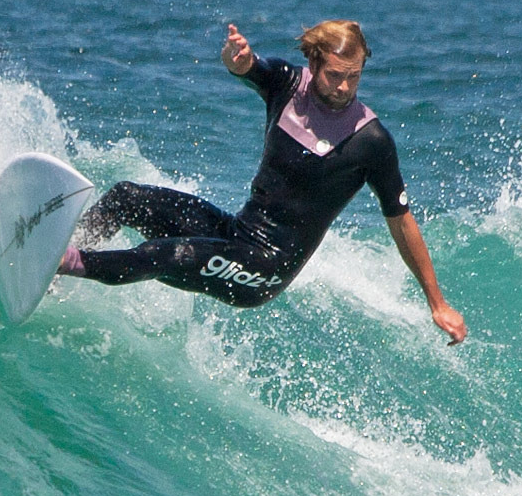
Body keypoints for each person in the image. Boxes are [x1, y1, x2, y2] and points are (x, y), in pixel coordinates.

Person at [58, 20, 467, 345]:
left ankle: (64, 264)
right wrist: (238, 62)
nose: (343, 87)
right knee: (127, 197)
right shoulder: (288, 86)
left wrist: (438, 303)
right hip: (237, 234)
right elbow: (251, 68)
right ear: (314, 66)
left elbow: (401, 220)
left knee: (170, 254)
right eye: (335, 76)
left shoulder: (371, 141)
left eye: (354, 77)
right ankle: (61, 250)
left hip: (267, 269)